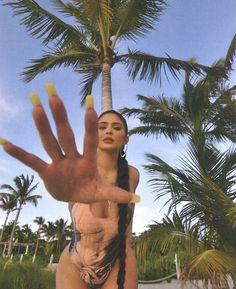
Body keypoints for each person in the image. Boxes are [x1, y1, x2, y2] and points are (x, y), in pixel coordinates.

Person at [0, 83, 140, 289]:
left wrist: (128, 254)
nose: (109, 130)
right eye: (102, 127)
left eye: (116, 127)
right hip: (74, 263)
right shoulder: (77, 170)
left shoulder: (132, 175)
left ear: (126, 139)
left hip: (118, 263)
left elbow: (126, 225)